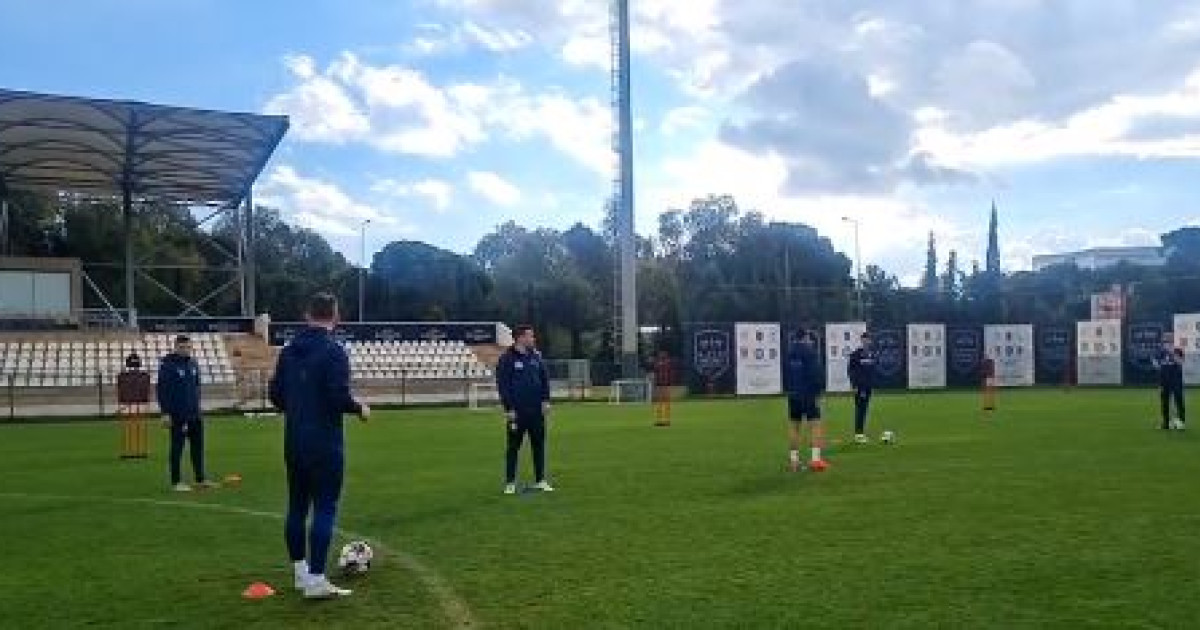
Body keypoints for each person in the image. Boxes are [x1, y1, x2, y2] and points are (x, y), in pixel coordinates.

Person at [269, 293, 370, 599]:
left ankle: (300, 574)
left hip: (294, 439)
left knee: (297, 507)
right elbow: (338, 397)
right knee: (325, 506)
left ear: (306, 314)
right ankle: (315, 580)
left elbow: (275, 395)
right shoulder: (334, 352)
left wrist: (299, 407)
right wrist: (360, 409)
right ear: (335, 316)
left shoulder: (287, 352)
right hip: (324, 441)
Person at [496, 324, 553, 495]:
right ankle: (510, 483)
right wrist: (509, 408)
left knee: (539, 445)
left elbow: (544, 380)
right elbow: (503, 385)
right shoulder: (507, 359)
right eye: (530, 336)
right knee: (513, 446)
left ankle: (540, 480)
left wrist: (546, 400)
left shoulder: (536, 357)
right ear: (520, 337)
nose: (533, 339)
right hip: (517, 412)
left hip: (536, 411)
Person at [157, 335, 214, 491]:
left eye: (188, 347)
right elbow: (162, 390)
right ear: (175, 347)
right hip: (177, 415)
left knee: (198, 447)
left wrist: (198, 406)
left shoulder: (193, 363)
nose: (185, 350)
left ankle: (200, 479)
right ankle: (176, 482)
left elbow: (196, 387)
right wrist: (165, 413)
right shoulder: (168, 365)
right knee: (177, 448)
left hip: (194, 414)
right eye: (182, 347)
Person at [783, 329, 828, 472]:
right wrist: (819, 390)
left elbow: (786, 374)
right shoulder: (810, 352)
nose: (811, 341)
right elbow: (816, 373)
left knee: (794, 428)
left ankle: (794, 462)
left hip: (793, 395)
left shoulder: (789, 353)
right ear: (805, 338)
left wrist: (790, 390)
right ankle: (815, 460)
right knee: (815, 425)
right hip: (808, 394)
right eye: (809, 338)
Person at [847, 331, 878, 444]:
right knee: (860, 409)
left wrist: (872, 384)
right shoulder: (856, 354)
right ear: (862, 340)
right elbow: (850, 371)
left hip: (868, 386)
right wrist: (854, 385)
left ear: (870, 341)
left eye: (868, 339)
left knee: (865, 409)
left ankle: (860, 433)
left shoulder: (872, 354)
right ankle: (858, 434)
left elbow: (872, 371)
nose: (867, 341)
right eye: (864, 339)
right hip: (860, 387)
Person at [1153, 336, 1186, 431]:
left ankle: (1181, 422)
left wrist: (1173, 353)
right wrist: (1159, 384)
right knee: (1164, 402)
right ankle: (1166, 423)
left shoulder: (1178, 351)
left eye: (1170, 342)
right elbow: (1158, 367)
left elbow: (1181, 362)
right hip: (1164, 381)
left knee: (1179, 400)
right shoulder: (1160, 353)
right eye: (1166, 342)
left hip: (1176, 381)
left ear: (1173, 342)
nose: (1167, 344)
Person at [652, 351, 673, 427]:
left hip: (662, 385)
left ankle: (661, 420)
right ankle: (665, 420)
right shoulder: (666, 364)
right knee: (664, 403)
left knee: (661, 403)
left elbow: (656, 374)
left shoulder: (659, 365)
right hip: (664, 385)